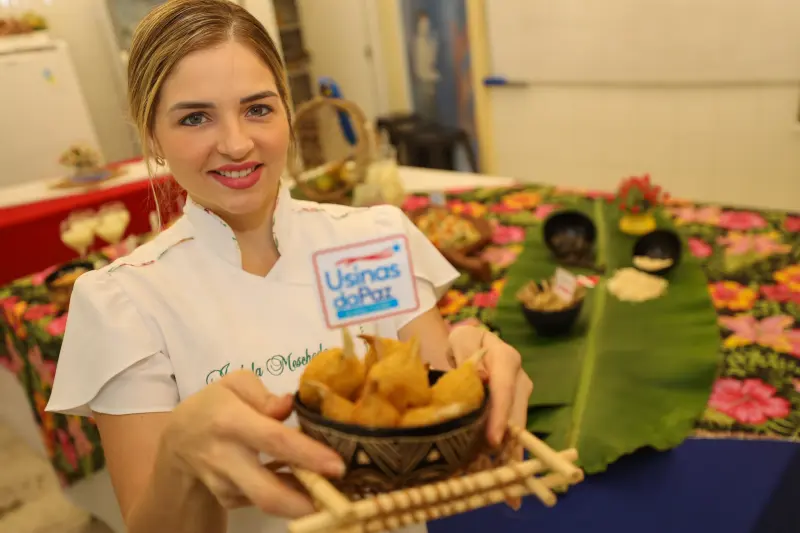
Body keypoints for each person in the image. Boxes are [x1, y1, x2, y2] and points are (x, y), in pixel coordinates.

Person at [46, 1, 533, 532]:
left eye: (258, 108)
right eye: (195, 117)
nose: (237, 144)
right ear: (152, 138)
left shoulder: (373, 239)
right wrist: (179, 459)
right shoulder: (124, 303)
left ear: (287, 111)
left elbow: (438, 422)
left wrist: (472, 360)